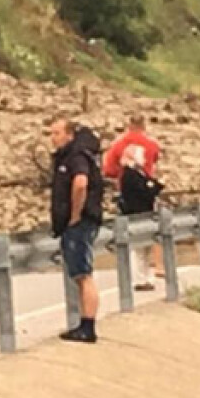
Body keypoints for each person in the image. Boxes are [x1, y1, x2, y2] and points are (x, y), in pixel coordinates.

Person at [49, 118, 106, 344]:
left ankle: (88, 326)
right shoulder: (71, 156)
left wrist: (75, 214)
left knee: (83, 275)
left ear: (69, 134)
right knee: (80, 273)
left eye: (56, 133)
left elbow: (81, 183)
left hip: (80, 222)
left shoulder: (76, 157)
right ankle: (83, 323)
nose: (53, 138)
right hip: (79, 221)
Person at [104, 114, 163, 277]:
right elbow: (155, 160)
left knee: (130, 230)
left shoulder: (119, 144)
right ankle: (154, 267)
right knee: (153, 227)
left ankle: (138, 273)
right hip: (147, 190)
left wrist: (119, 174)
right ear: (144, 126)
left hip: (127, 191)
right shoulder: (151, 145)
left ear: (128, 125)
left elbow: (108, 169)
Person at [118, 144, 165, 291]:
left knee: (146, 248)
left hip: (145, 214)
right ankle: (139, 279)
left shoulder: (139, 172)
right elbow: (145, 190)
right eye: (142, 155)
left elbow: (150, 186)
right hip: (136, 215)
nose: (144, 158)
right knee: (138, 249)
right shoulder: (129, 174)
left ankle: (146, 277)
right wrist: (154, 186)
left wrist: (154, 186)